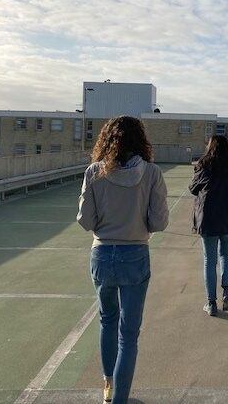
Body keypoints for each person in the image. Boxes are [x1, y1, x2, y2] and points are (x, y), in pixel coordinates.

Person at [77, 116, 169, 404]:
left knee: (107, 320)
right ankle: (121, 399)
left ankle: (107, 386)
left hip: (102, 254)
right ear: (140, 140)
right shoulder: (152, 173)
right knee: (129, 334)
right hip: (135, 254)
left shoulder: (94, 172)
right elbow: (159, 221)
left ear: (107, 139)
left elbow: (85, 219)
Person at [189, 135, 228, 316]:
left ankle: (211, 302)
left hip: (209, 219)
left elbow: (192, 188)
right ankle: (227, 292)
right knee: (226, 254)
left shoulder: (204, 164)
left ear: (209, 146)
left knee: (209, 259)